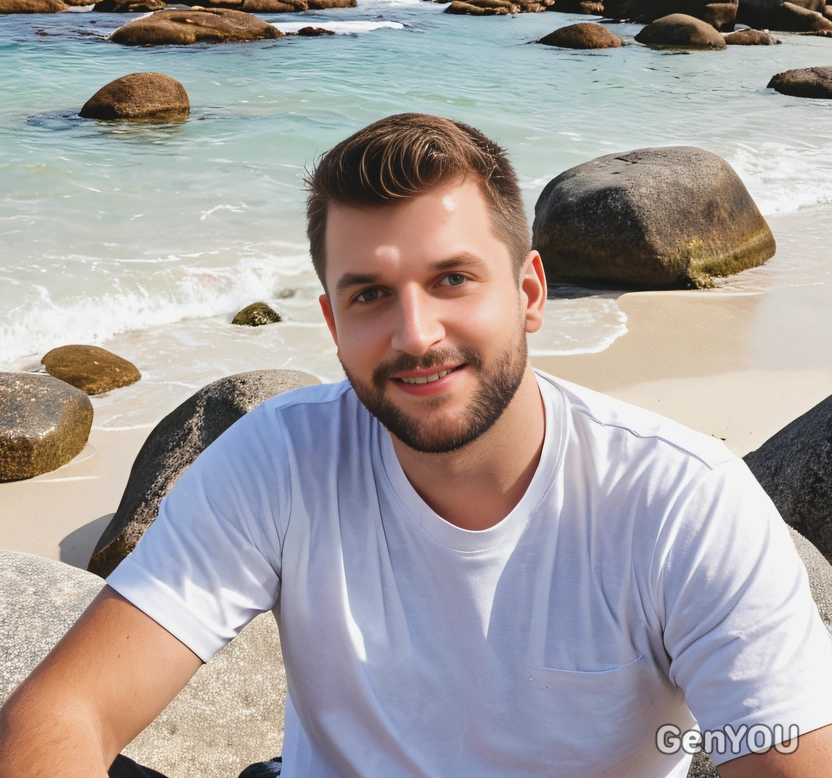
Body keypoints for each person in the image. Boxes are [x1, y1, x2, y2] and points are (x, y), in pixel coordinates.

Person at [2, 113, 832, 778]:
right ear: (331, 324)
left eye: (452, 279)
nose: (415, 333)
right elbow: (64, 713)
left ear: (530, 292)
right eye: (369, 295)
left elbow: (787, 758)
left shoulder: (679, 500)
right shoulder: (279, 462)